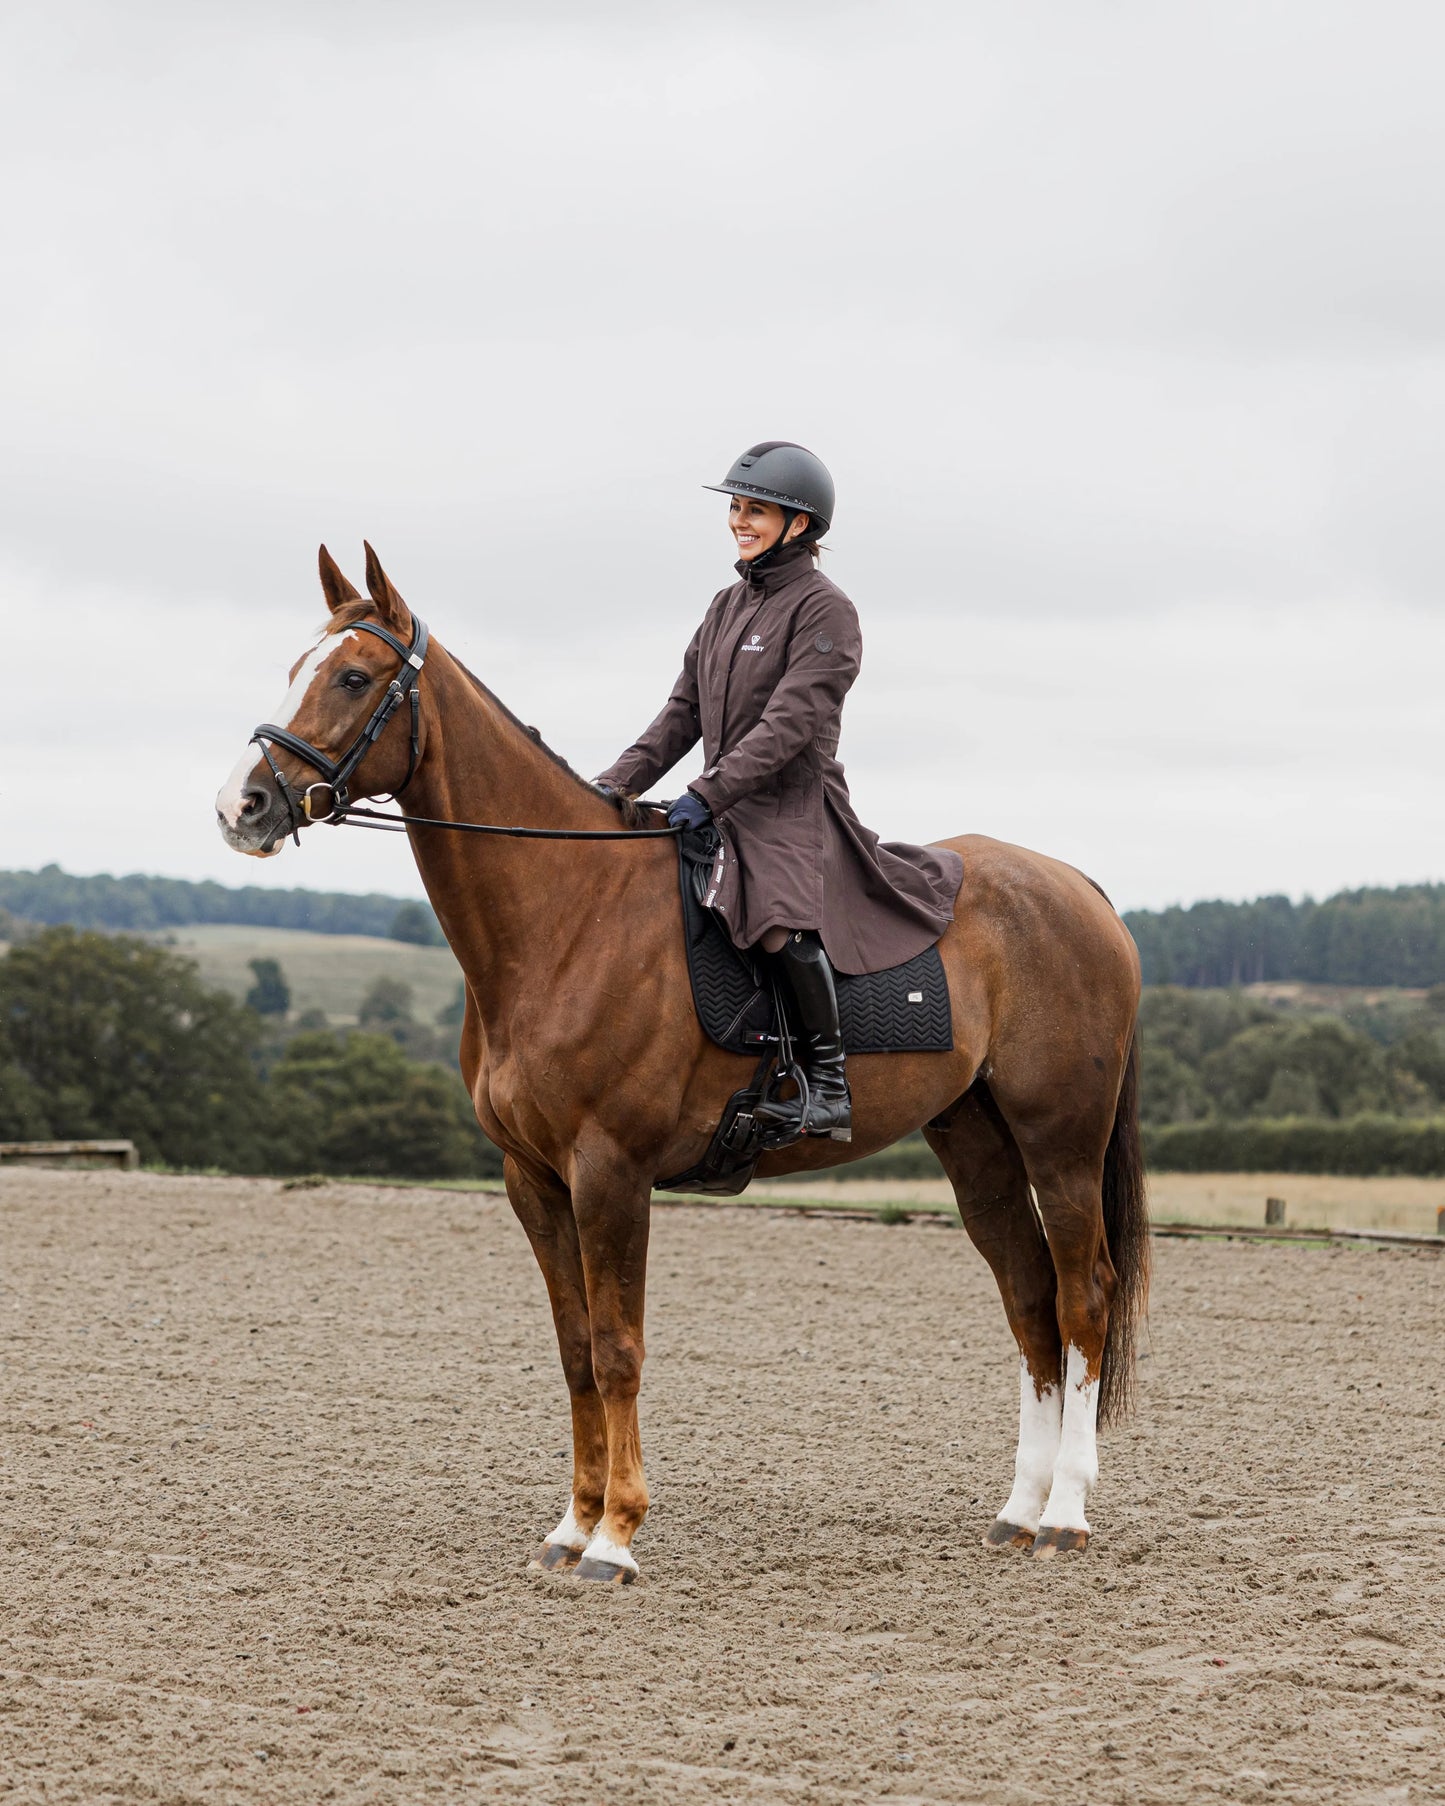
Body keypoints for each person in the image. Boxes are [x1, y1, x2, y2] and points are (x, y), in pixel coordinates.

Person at [596, 441, 963, 1141]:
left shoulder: (827, 611)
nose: (739, 521)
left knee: (777, 919)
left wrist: (708, 792)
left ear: (799, 524)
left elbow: (790, 724)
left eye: (754, 510)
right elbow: (683, 713)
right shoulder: (725, 605)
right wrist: (613, 783)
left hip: (792, 808)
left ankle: (827, 1085)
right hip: (721, 799)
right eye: (735, 508)